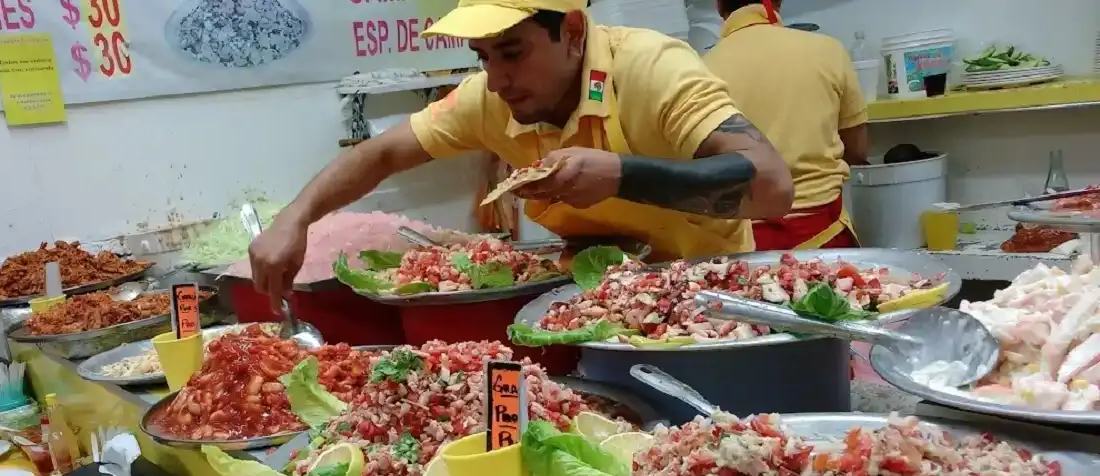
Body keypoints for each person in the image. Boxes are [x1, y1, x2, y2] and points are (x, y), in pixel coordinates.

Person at [249, 0, 794, 308]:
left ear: (574, 32)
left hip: (709, 298)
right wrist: (292, 220)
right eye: (483, 56)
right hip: (594, 306)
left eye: (512, 52)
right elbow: (384, 153)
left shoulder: (652, 70)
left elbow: (772, 186)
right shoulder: (489, 98)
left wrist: (622, 174)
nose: (497, 77)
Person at [704, 0, 869, 251]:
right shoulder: (828, 50)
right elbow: (857, 149)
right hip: (826, 240)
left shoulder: (701, 70)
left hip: (745, 252)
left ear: (718, 6)